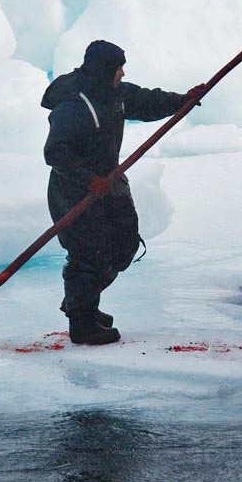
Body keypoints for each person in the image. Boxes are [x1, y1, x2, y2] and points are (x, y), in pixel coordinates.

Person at [42, 39, 204, 345]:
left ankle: (82, 302)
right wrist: (88, 179)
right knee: (88, 254)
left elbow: (145, 101)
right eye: (118, 67)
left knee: (123, 244)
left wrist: (181, 100)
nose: (123, 72)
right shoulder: (74, 105)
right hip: (75, 189)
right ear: (105, 69)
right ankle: (82, 321)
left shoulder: (113, 92)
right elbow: (55, 153)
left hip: (109, 182)